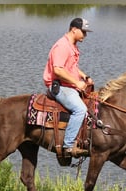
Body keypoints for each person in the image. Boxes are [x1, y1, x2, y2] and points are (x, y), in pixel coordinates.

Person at [43, 17, 94, 158]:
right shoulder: (62, 46)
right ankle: (68, 145)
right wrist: (77, 83)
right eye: (83, 32)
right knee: (80, 109)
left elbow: (71, 67)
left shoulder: (72, 45)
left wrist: (83, 76)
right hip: (60, 86)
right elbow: (58, 70)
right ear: (74, 29)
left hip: (68, 84)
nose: (85, 35)